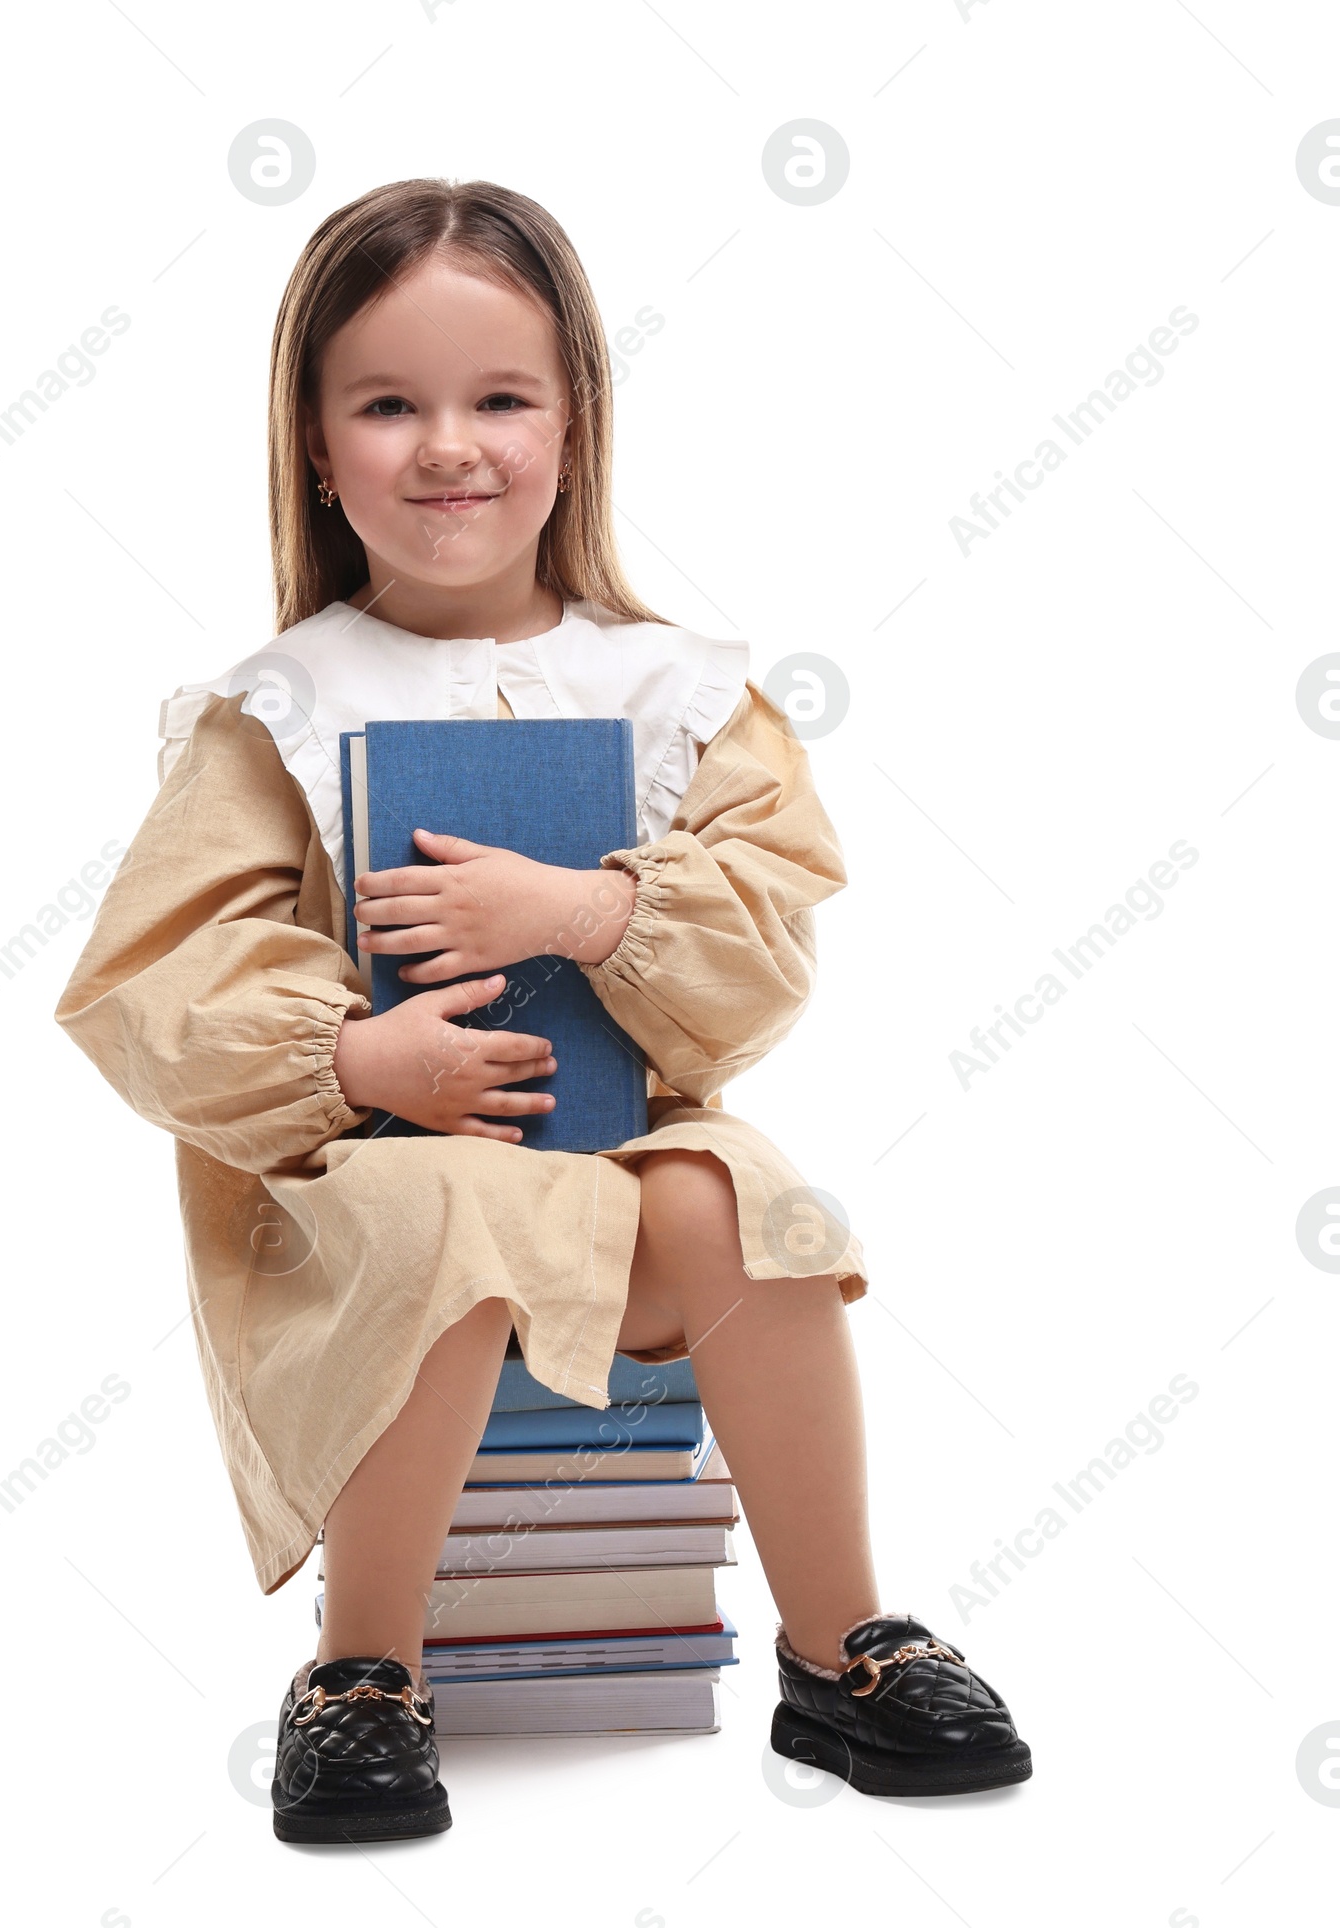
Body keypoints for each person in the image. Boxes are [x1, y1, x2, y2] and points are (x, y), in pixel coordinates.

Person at [54, 177, 1031, 1843]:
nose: (451, 446)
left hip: (607, 1167)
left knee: (740, 1194)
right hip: (365, 1191)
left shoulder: (677, 691)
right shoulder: (278, 712)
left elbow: (760, 959)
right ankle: (364, 1669)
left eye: (501, 399)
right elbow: (157, 986)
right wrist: (357, 1053)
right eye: (389, 404)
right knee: (438, 1201)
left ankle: (838, 1640)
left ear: (574, 431)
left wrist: (585, 910)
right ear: (313, 441)